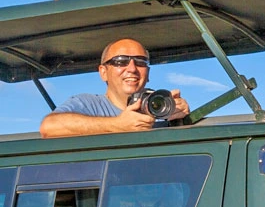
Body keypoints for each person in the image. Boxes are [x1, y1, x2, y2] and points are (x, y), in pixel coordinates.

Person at [39, 38, 190, 138]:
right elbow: (49, 127)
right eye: (120, 62)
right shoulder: (88, 104)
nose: (132, 68)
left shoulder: (161, 106)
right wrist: (118, 125)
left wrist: (182, 117)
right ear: (103, 72)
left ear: (148, 73)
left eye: (140, 62)